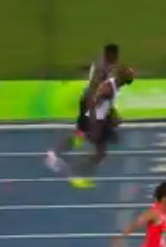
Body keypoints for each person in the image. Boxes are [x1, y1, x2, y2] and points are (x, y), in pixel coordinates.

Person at [46, 43, 134, 188]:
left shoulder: (106, 69)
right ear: (111, 55)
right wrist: (96, 119)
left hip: (96, 109)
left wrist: (110, 114)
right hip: (91, 107)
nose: (117, 59)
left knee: (87, 141)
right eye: (116, 56)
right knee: (85, 139)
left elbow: (101, 93)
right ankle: (64, 162)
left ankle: (67, 162)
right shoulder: (104, 71)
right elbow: (96, 94)